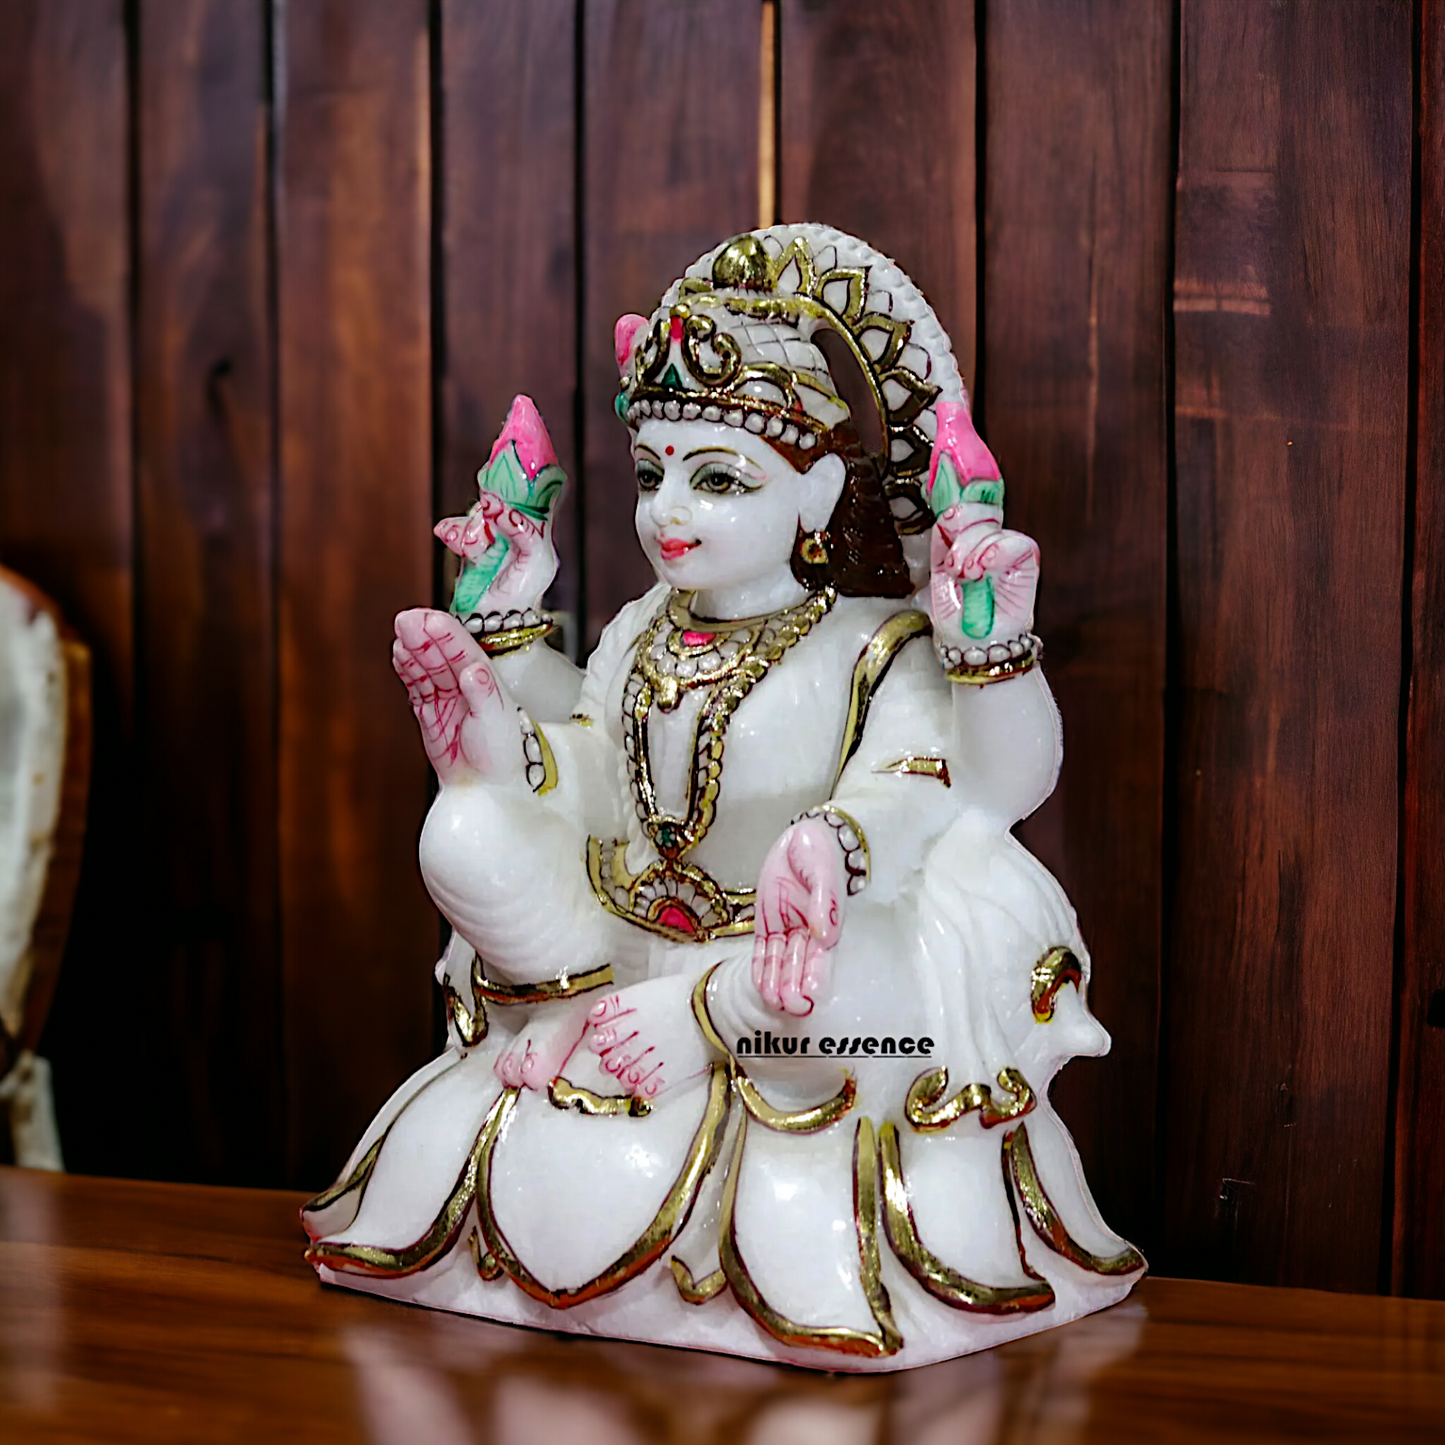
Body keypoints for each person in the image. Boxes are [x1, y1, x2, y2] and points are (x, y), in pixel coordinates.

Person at [302, 225, 1143, 1370]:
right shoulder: (643, 628)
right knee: (465, 828)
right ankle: (574, 1005)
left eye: (716, 479)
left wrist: (852, 824)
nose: (666, 512)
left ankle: (691, 1029)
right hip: (631, 934)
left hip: (787, 974)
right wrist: (503, 705)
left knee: (843, 985)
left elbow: (958, 787)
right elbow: (595, 761)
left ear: (821, 490)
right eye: (650, 475)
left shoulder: (870, 642)